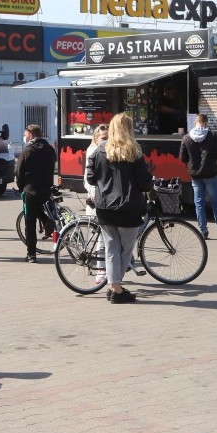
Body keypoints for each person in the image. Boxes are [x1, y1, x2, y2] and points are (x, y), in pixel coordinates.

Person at [86, 113, 153, 303]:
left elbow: (91, 177)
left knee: (111, 247)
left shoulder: (99, 151)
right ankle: (116, 287)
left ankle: (115, 286)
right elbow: (144, 183)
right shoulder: (134, 151)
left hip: (105, 207)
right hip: (128, 207)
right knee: (126, 249)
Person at [179, 113, 217, 240]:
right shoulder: (212, 136)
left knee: (199, 203)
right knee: (216, 202)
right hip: (211, 174)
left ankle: (203, 231)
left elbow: (183, 158)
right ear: (206, 123)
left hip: (195, 175)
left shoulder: (186, 138)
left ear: (195, 123)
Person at [15, 124, 56, 263]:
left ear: (31, 135)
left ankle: (31, 254)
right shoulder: (50, 149)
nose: (24, 136)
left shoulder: (27, 150)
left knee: (30, 223)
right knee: (40, 208)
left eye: (25, 133)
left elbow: (19, 172)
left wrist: (21, 187)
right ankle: (46, 221)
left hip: (30, 190)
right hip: (46, 189)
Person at [83, 124, 109, 284]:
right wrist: (93, 192)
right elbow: (87, 177)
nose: (107, 141)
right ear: (96, 138)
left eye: (109, 138)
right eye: (104, 138)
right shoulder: (93, 151)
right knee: (100, 238)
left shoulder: (108, 150)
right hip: (97, 200)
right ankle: (101, 270)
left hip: (108, 199)